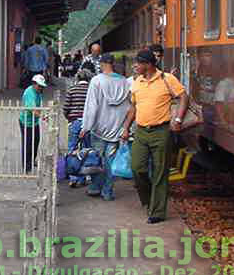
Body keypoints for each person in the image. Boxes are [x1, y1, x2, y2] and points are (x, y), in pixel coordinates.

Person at [122, 49, 189, 224]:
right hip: (141, 131)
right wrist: (126, 128)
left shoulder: (167, 79)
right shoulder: (137, 82)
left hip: (161, 131)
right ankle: (150, 199)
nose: (135, 65)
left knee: (160, 171)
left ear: (149, 64)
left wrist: (178, 118)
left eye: (138, 63)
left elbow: (183, 97)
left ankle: (157, 212)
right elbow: (133, 108)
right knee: (137, 168)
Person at [80, 53, 132, 201]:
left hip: (99, 129)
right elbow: (130, 106)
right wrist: (125, 127)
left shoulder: (96, 81)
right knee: (110, 162)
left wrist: (86, 127)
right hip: (116, 129)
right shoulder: (124, 82)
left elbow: (91, 106)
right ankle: (107, 191)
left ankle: (95, 187)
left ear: (102, 64)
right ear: (113, 64)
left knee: (97, 160)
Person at [63, 68, 94, 187]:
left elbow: (66, 107)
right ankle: (84, 177)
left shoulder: (72, 89)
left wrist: (69, 119)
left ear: (78, 78)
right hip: (88, 123)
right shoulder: (91, 90)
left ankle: (73, 177)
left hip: (74, 122)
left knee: (72, 149)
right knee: (87, 150)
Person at [19, 74, 47, 173]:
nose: (41, 88)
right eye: (39, 86)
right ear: (34, 84)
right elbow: (33, 110)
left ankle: (32, 160)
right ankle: (26, 166)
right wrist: (43, 117)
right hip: (26, 122)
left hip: (34, 122)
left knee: (36, 141)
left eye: (42, 86)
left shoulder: (38, 92)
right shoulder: (30, 93)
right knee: (28, 144)